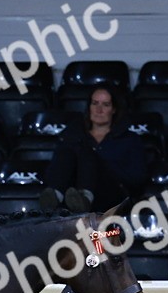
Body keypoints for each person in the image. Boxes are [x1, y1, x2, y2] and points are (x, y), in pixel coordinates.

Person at [37, 85, 149, 214]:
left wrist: (102, 165)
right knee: (70, 150)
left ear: (114, 109)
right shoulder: (72, 134)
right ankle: (55, 196)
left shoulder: (129, 139)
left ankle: (85, 198)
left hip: (112, 196)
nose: (98, 110)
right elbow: (53, 170)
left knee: (88, 153)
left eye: (105, 105)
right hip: (72, 195)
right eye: (95, 103)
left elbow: (138, 178)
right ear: (89, 106)